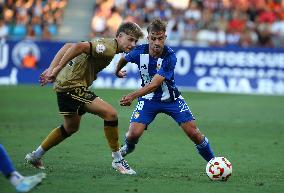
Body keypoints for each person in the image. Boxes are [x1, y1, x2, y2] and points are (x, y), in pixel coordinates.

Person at [25, 21, 144, 175]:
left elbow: (67, 45)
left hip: (67, 86)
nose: (133, 44)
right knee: (111, 114)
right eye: (130, 39)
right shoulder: (107, 48)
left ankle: (35, 156)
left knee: (71, 127)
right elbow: (77, 47)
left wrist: (52, 68)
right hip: (72, 86)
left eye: (135, 41)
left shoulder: (110, 47)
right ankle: (117, 159)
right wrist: (56, 69)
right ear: (119, 36)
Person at [115, 19, 215, 165]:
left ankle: (213, 162)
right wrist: (117, 71)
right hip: (148, 99)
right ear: (148, 38)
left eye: (160, 38)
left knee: (194, 133)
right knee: (133, 134)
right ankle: (128, 148)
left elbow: (154, 84)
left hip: (172, 100)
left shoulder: (170, 56)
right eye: (153, 38)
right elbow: (124, 58)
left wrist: (132, 96)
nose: (157, 42)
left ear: (165, 38)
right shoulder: (138, 52)